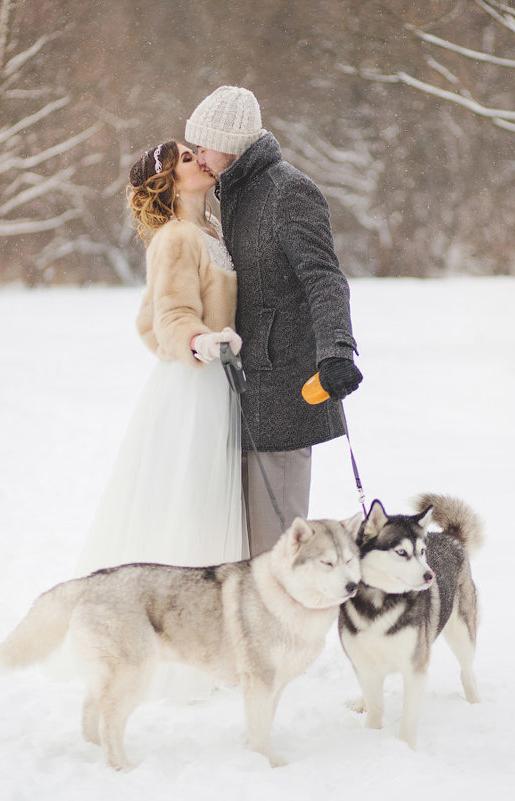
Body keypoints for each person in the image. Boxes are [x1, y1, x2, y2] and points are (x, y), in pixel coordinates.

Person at [185, 86, 363, 557]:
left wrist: (336, 353)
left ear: (230, 143)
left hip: (285, 395)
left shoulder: (288, 192)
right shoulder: (232, 194)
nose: (197, 155)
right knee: (241, 559)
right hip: (240, 394)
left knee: (277, 556)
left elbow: (325, 279)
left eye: (203, 145)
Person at [75, 140, 247, 580]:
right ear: (168, 183)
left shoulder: (212, 229)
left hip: (220, 382)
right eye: (187, 159)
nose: (200, 158)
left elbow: (146, 316)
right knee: (191, 501)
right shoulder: (174, 237)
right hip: (194, 388)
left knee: (209, 500)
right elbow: (168, 316)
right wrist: (199, 341)